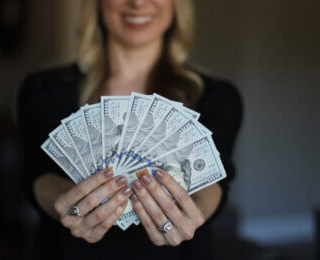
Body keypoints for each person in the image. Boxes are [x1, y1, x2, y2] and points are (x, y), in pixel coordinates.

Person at [17, 0, 242, 259]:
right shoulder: (43, 88)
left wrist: (194, 211)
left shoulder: (217, 97)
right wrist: (68, 202)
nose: (137, 3)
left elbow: (215, 181)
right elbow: (37, 174)